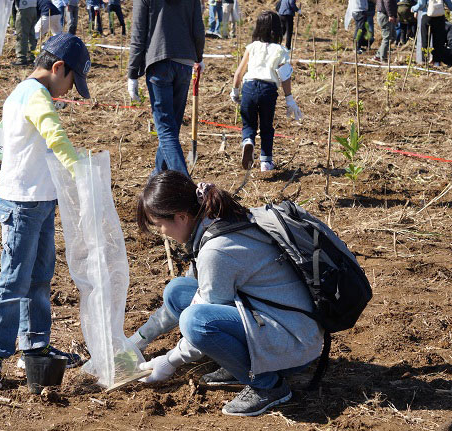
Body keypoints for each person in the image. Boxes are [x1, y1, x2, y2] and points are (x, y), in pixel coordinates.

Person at [132, 170, 323, 416]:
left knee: (195, 322)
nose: (161, 233)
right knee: (178, 291)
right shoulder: (214, 222)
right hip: (277, 320)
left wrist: (169, 362)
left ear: (180, 217)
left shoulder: (216, 250)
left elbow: (201, 320)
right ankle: (239, 364)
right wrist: (138, 339)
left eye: (159, 225)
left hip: (294, 343)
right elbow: (196, 295)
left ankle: (267, 386)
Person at [0, 33, 91, 390]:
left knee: (40, 276)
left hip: (40, 201)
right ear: (58, 68)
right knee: (14, 280)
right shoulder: (35, 96)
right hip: (22, 205)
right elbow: (54, 136)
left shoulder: (21, 95)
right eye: (72, 81)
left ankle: (35, 345)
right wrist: (82, 177)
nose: (71, 91)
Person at [127, 0, 204, 177]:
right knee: (171, 128)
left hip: (158, 64)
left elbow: (138, 35)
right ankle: (156, 180)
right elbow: (198, 31)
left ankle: (186, 188)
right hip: (184, 64)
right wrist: (198, 57)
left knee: (167, 130)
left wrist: (132, 74)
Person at [229, 11, 302, 172]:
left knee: (248, 123)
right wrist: (289, 99)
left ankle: (248, 141)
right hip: (268, 90)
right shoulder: (280, 50)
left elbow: (239, 72)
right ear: (278, 29)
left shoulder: (252, 47)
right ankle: (266, 162)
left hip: (248, 87)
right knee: (267, 126)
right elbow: (285, 76)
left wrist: (235, 91)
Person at [412, 0, 452, 66]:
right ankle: (437, 62)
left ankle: (425, 60)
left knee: (425, 40)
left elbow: (421, 4)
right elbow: (449, 3)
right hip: (440, 17)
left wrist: (413, 9)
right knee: (439, 41)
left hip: (427, 16)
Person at [13, 0, 39, 66]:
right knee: (31, 34)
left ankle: (21, 58)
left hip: (23, 7)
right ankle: (31, 56)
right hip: (33, 7)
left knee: (22, 34)